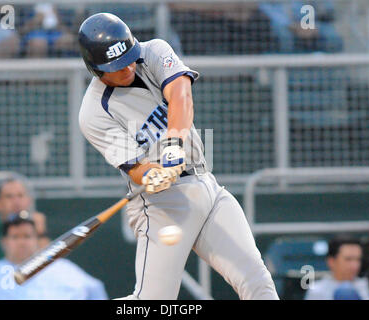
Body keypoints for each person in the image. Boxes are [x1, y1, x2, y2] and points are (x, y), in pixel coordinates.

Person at [77, 13, 279, 300]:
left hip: (207, 186)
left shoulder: (154, 51)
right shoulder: (94, 113)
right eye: (118, 66)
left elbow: (181, 96)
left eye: (129, 57)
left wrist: (173, 145)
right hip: (163, 203)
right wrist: (152, 175)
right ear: (96, 70)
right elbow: (134, 167)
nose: (129, 67)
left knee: (257, 282)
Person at [0, 213, 108, 299]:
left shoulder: (63, 271)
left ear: (36, 240)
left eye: (27, 236)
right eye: (15, 237)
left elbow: (95, 290)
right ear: (4, 242)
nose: (22, 242)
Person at [304, 236, 369, 300]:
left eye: (358, 259)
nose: (355, 265)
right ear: (331, 261)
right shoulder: (317, 291)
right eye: (348, 259)